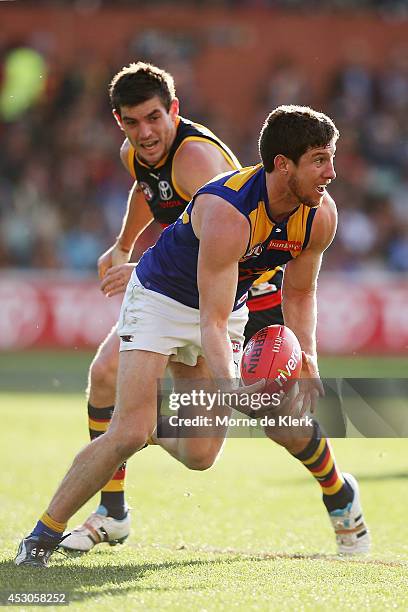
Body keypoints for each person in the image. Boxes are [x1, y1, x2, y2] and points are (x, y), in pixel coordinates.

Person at [15, 104, 370, 567]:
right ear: (283, 164)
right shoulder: (229, 212)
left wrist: (308, 355)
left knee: (201, 456)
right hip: (162, 300)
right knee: (125, 432)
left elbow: (300, 293)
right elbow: (212, 324)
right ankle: (41, 538)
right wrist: (231, 385)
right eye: (320, 160)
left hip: (228, 304)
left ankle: (139, 423)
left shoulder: (320, 214)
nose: (332, 173)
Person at [58, 61, 285, 553]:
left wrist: (138, 266)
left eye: (154, 118)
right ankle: (112, 508)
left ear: (175, 111)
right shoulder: (134, 153)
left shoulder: (200, 164)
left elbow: (231, 242)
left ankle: (341, 497)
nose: (144, 132)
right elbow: (151, 191)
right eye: (131, 122)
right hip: (176, 293)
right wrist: (123, 244)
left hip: (226, 298)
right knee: (103, 374)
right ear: (118, 120)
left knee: (204, 453)